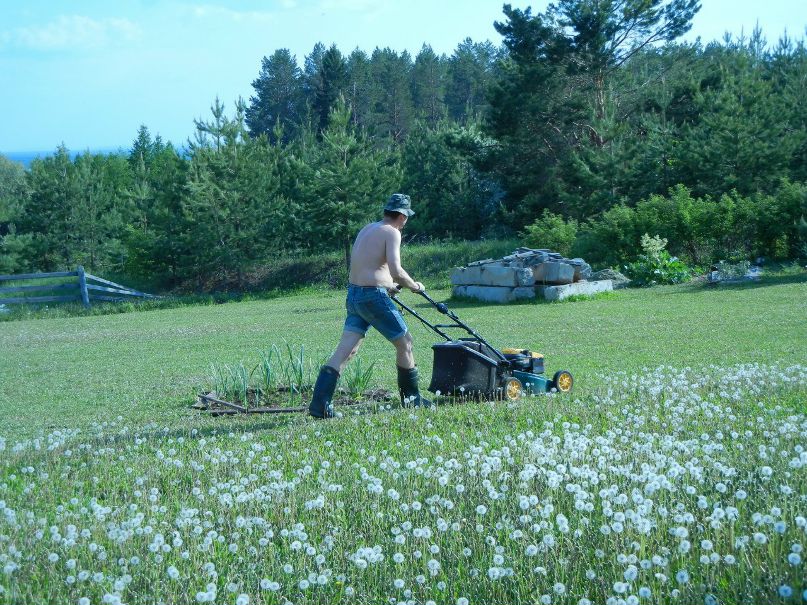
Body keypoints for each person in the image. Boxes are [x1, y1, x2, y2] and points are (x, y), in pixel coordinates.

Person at [309, 193, 432, 419]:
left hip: (354, 295)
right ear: (402, 216)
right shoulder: (392, 232)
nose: (405, 222)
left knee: (347, 350)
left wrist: (388, 285)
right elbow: (396, 270)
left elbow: (369, 268)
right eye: (406, 217)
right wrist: (415, 286)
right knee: (405, 343)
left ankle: (320, 405)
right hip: (372, 297)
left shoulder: (368, 228)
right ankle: (412, 399)